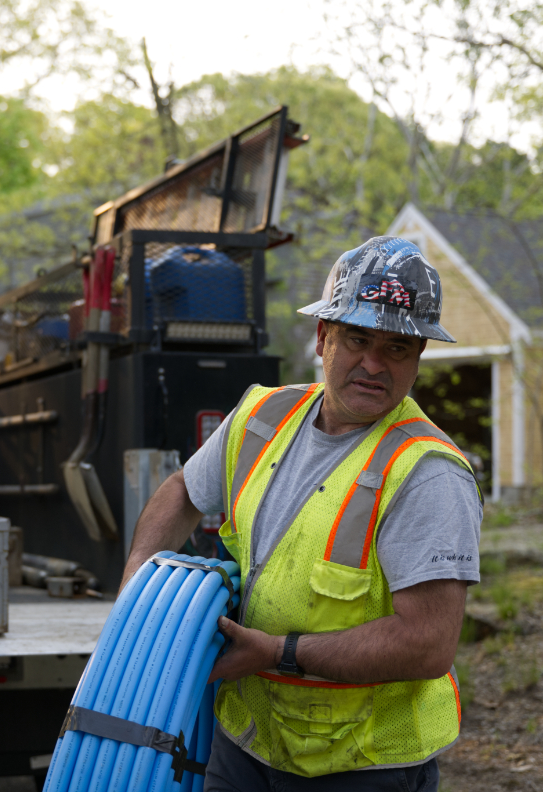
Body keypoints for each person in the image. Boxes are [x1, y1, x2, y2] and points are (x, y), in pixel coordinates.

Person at [122, 236, 483, 791]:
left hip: (361, 764)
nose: (373, 364)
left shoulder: (427, 474)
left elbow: (428, 642)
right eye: (357, 338)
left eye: (397, 348)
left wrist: (274, 654)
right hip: (246, 740)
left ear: (418, 358)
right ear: (322, 337)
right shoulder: (264, 414)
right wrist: (137, 591)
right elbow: (181, 492)